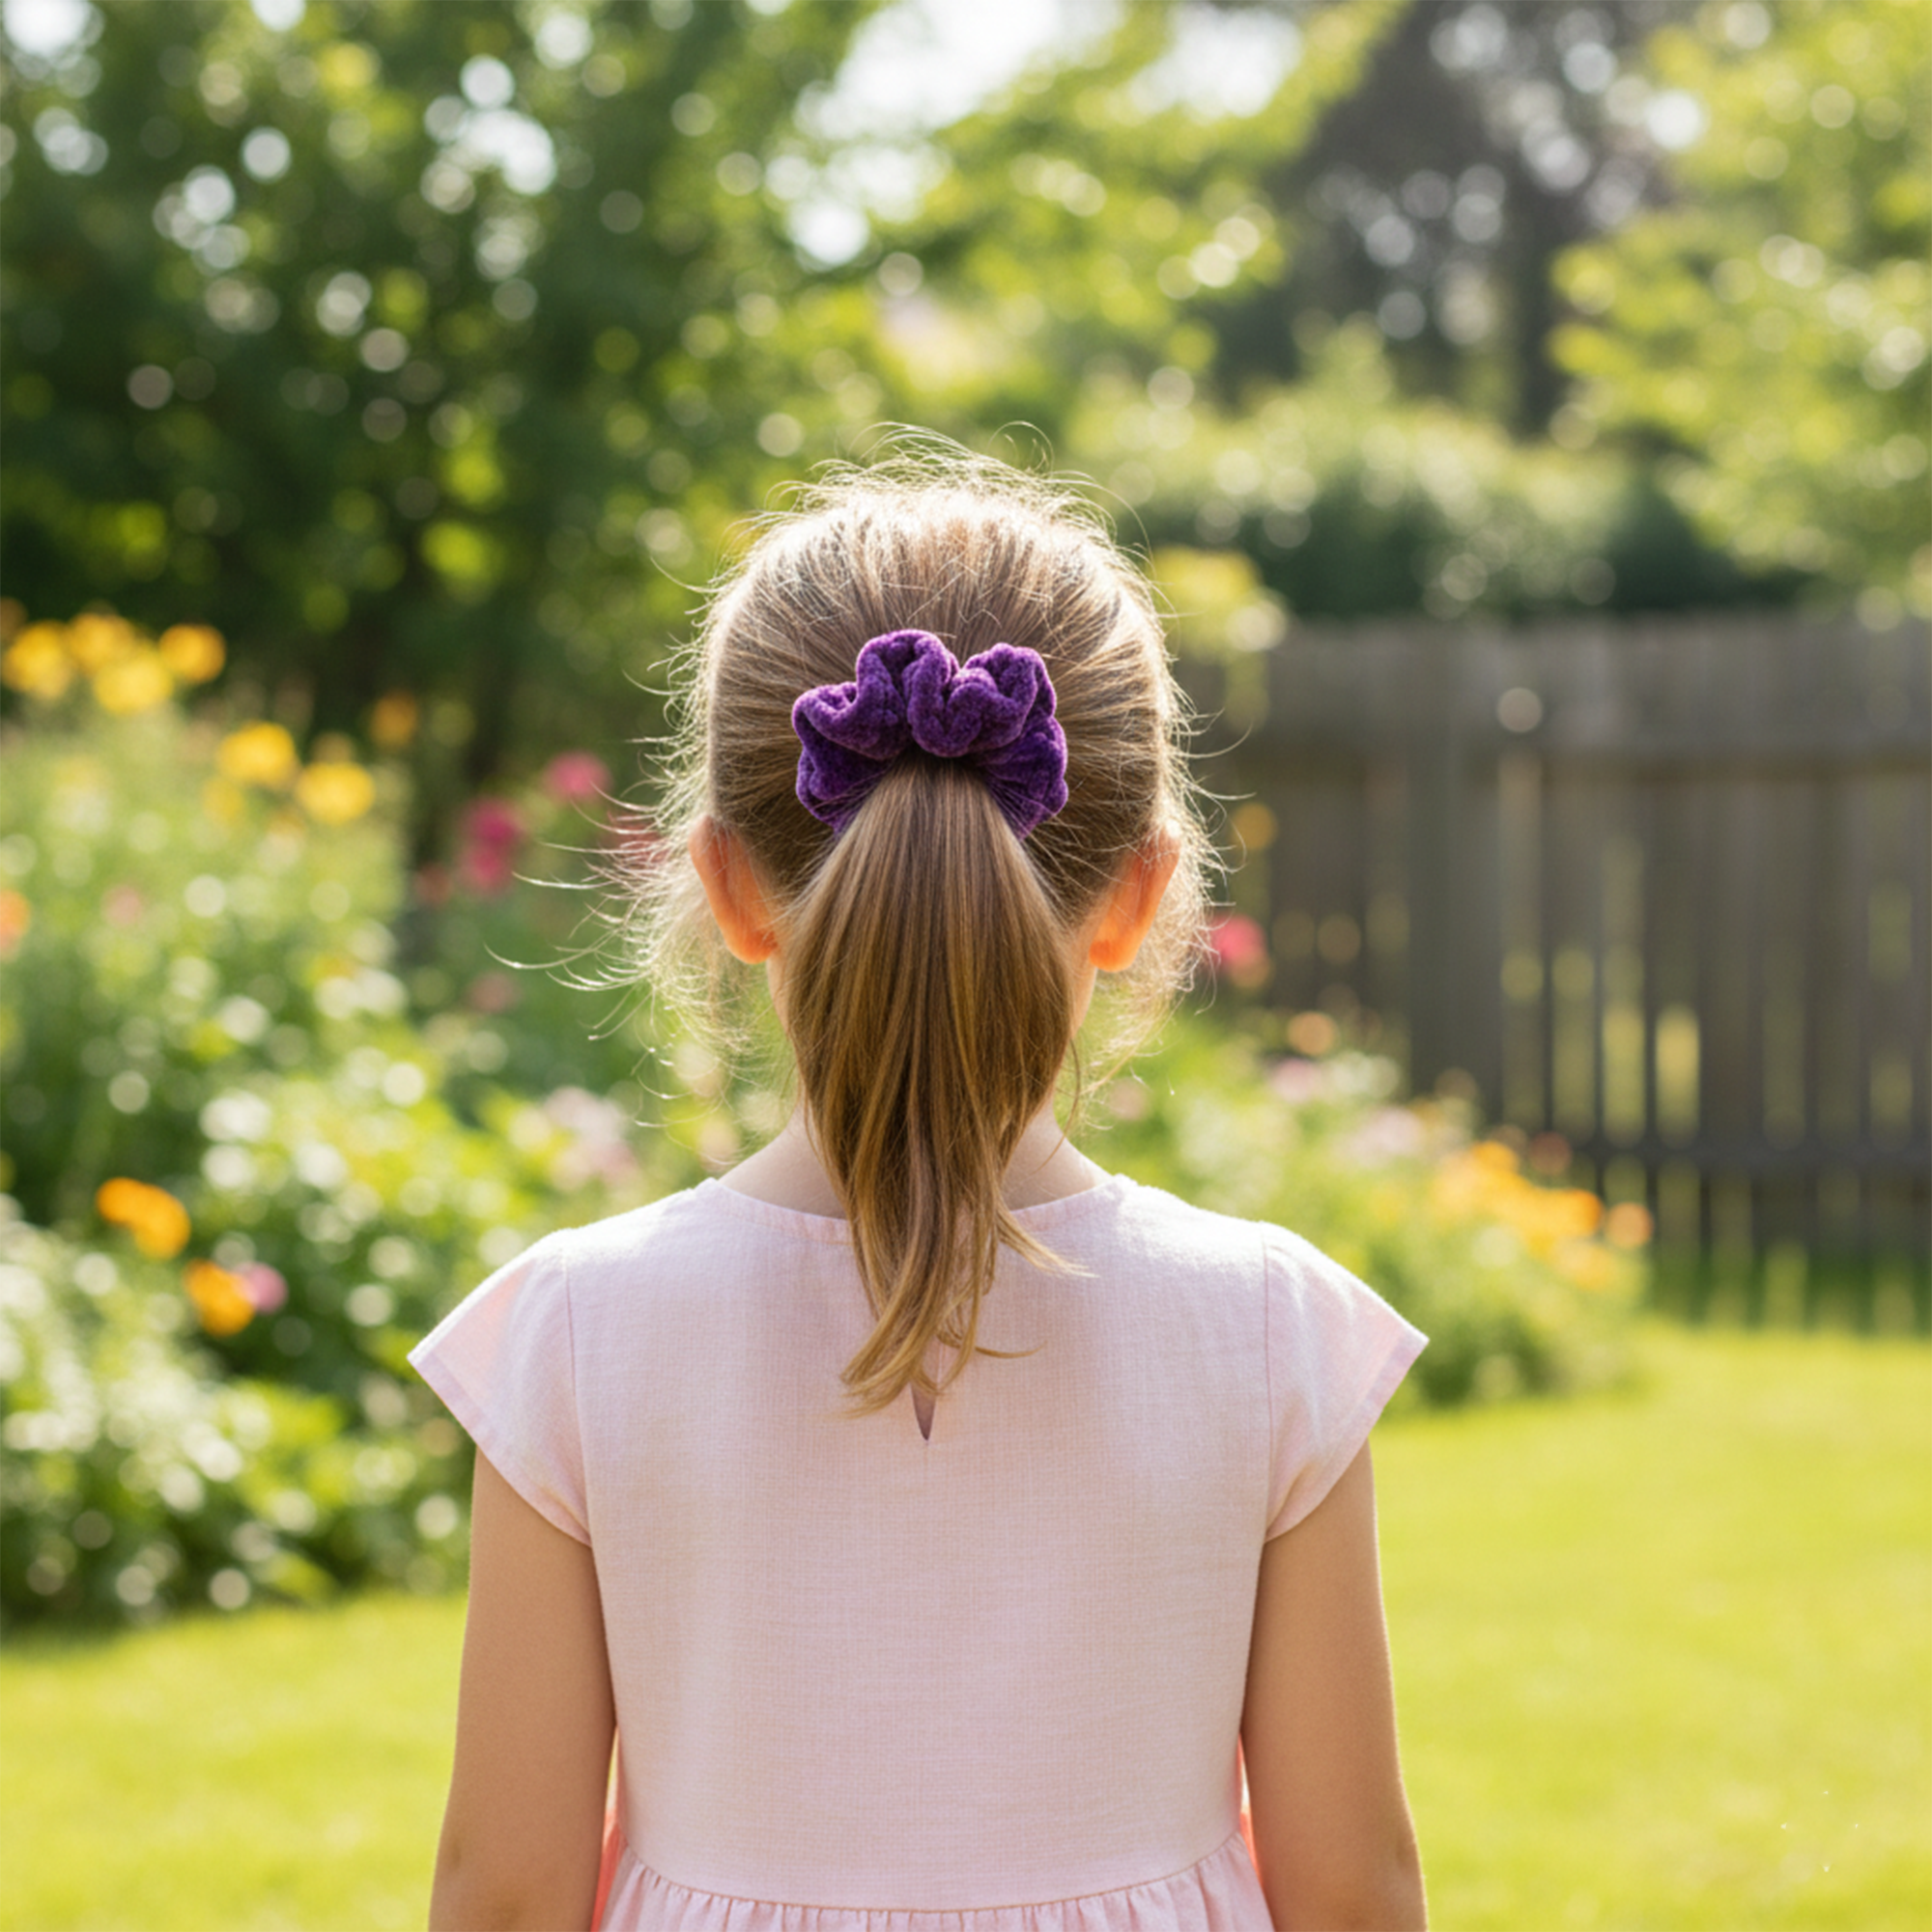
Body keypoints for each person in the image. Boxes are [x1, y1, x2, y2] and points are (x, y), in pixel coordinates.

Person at [409, 452, 1430, 1932]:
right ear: (1143, 900)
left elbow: (504, 1890)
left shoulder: (578, 1331)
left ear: (731, 889)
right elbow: (1355, 1890)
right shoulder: (1267, 1329)